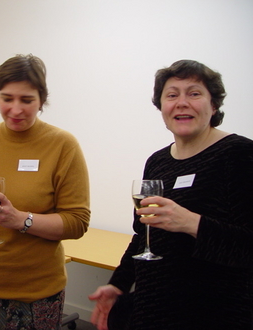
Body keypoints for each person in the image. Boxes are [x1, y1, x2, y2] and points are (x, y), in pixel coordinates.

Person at [89, 59, 253, 330]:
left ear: (213, 105)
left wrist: (191, 223)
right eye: (172, 95)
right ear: (161, 107)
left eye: (194, 93)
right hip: (154, 309)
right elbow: (143, 236)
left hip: (214, 313)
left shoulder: (239, 154)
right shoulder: (157, 162)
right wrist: (118, 284)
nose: (181, 102)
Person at [0, 54, 90, 329]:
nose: (16, 109)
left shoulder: (63, 145)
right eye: (6, 98)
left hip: (34, 294)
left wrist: (20, 220)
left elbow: (77, 221)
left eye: (26, 100)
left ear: (42, 100)